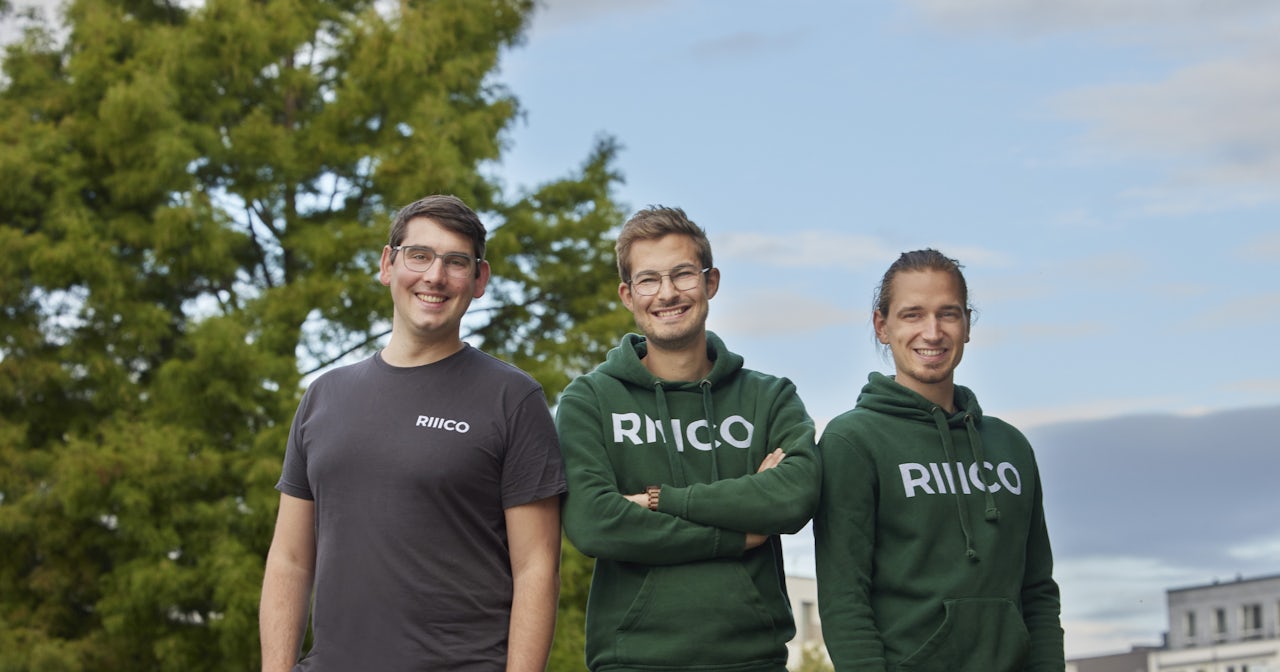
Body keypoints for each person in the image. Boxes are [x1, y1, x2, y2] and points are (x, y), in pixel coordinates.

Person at [259, 195, 564, 672]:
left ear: (479, 279)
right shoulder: (324, 396)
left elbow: (537, 569)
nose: (435, 276)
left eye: (456, 262)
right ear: (388, 264)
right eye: (419, 255)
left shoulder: (513, 399)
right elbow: (291, 559)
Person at [555, 205, 821, 672]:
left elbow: (793, 498)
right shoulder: (589, 399)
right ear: (627, 294)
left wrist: (658, 500)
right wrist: (741, 533)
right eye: (649, 280)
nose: (668, 293)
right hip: (632, 659)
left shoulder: (769, 397)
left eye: (683, 275)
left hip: (752, 658)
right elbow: (593, 521)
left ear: (710, 282)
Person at [814, 249, 1064, 672]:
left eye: (947, 314)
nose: (932, 332)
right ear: (882, 326)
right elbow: (845, 598)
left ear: (967, 325)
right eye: (912, 315)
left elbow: (1037, 589)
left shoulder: (1010, 446)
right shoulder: (852, 441)